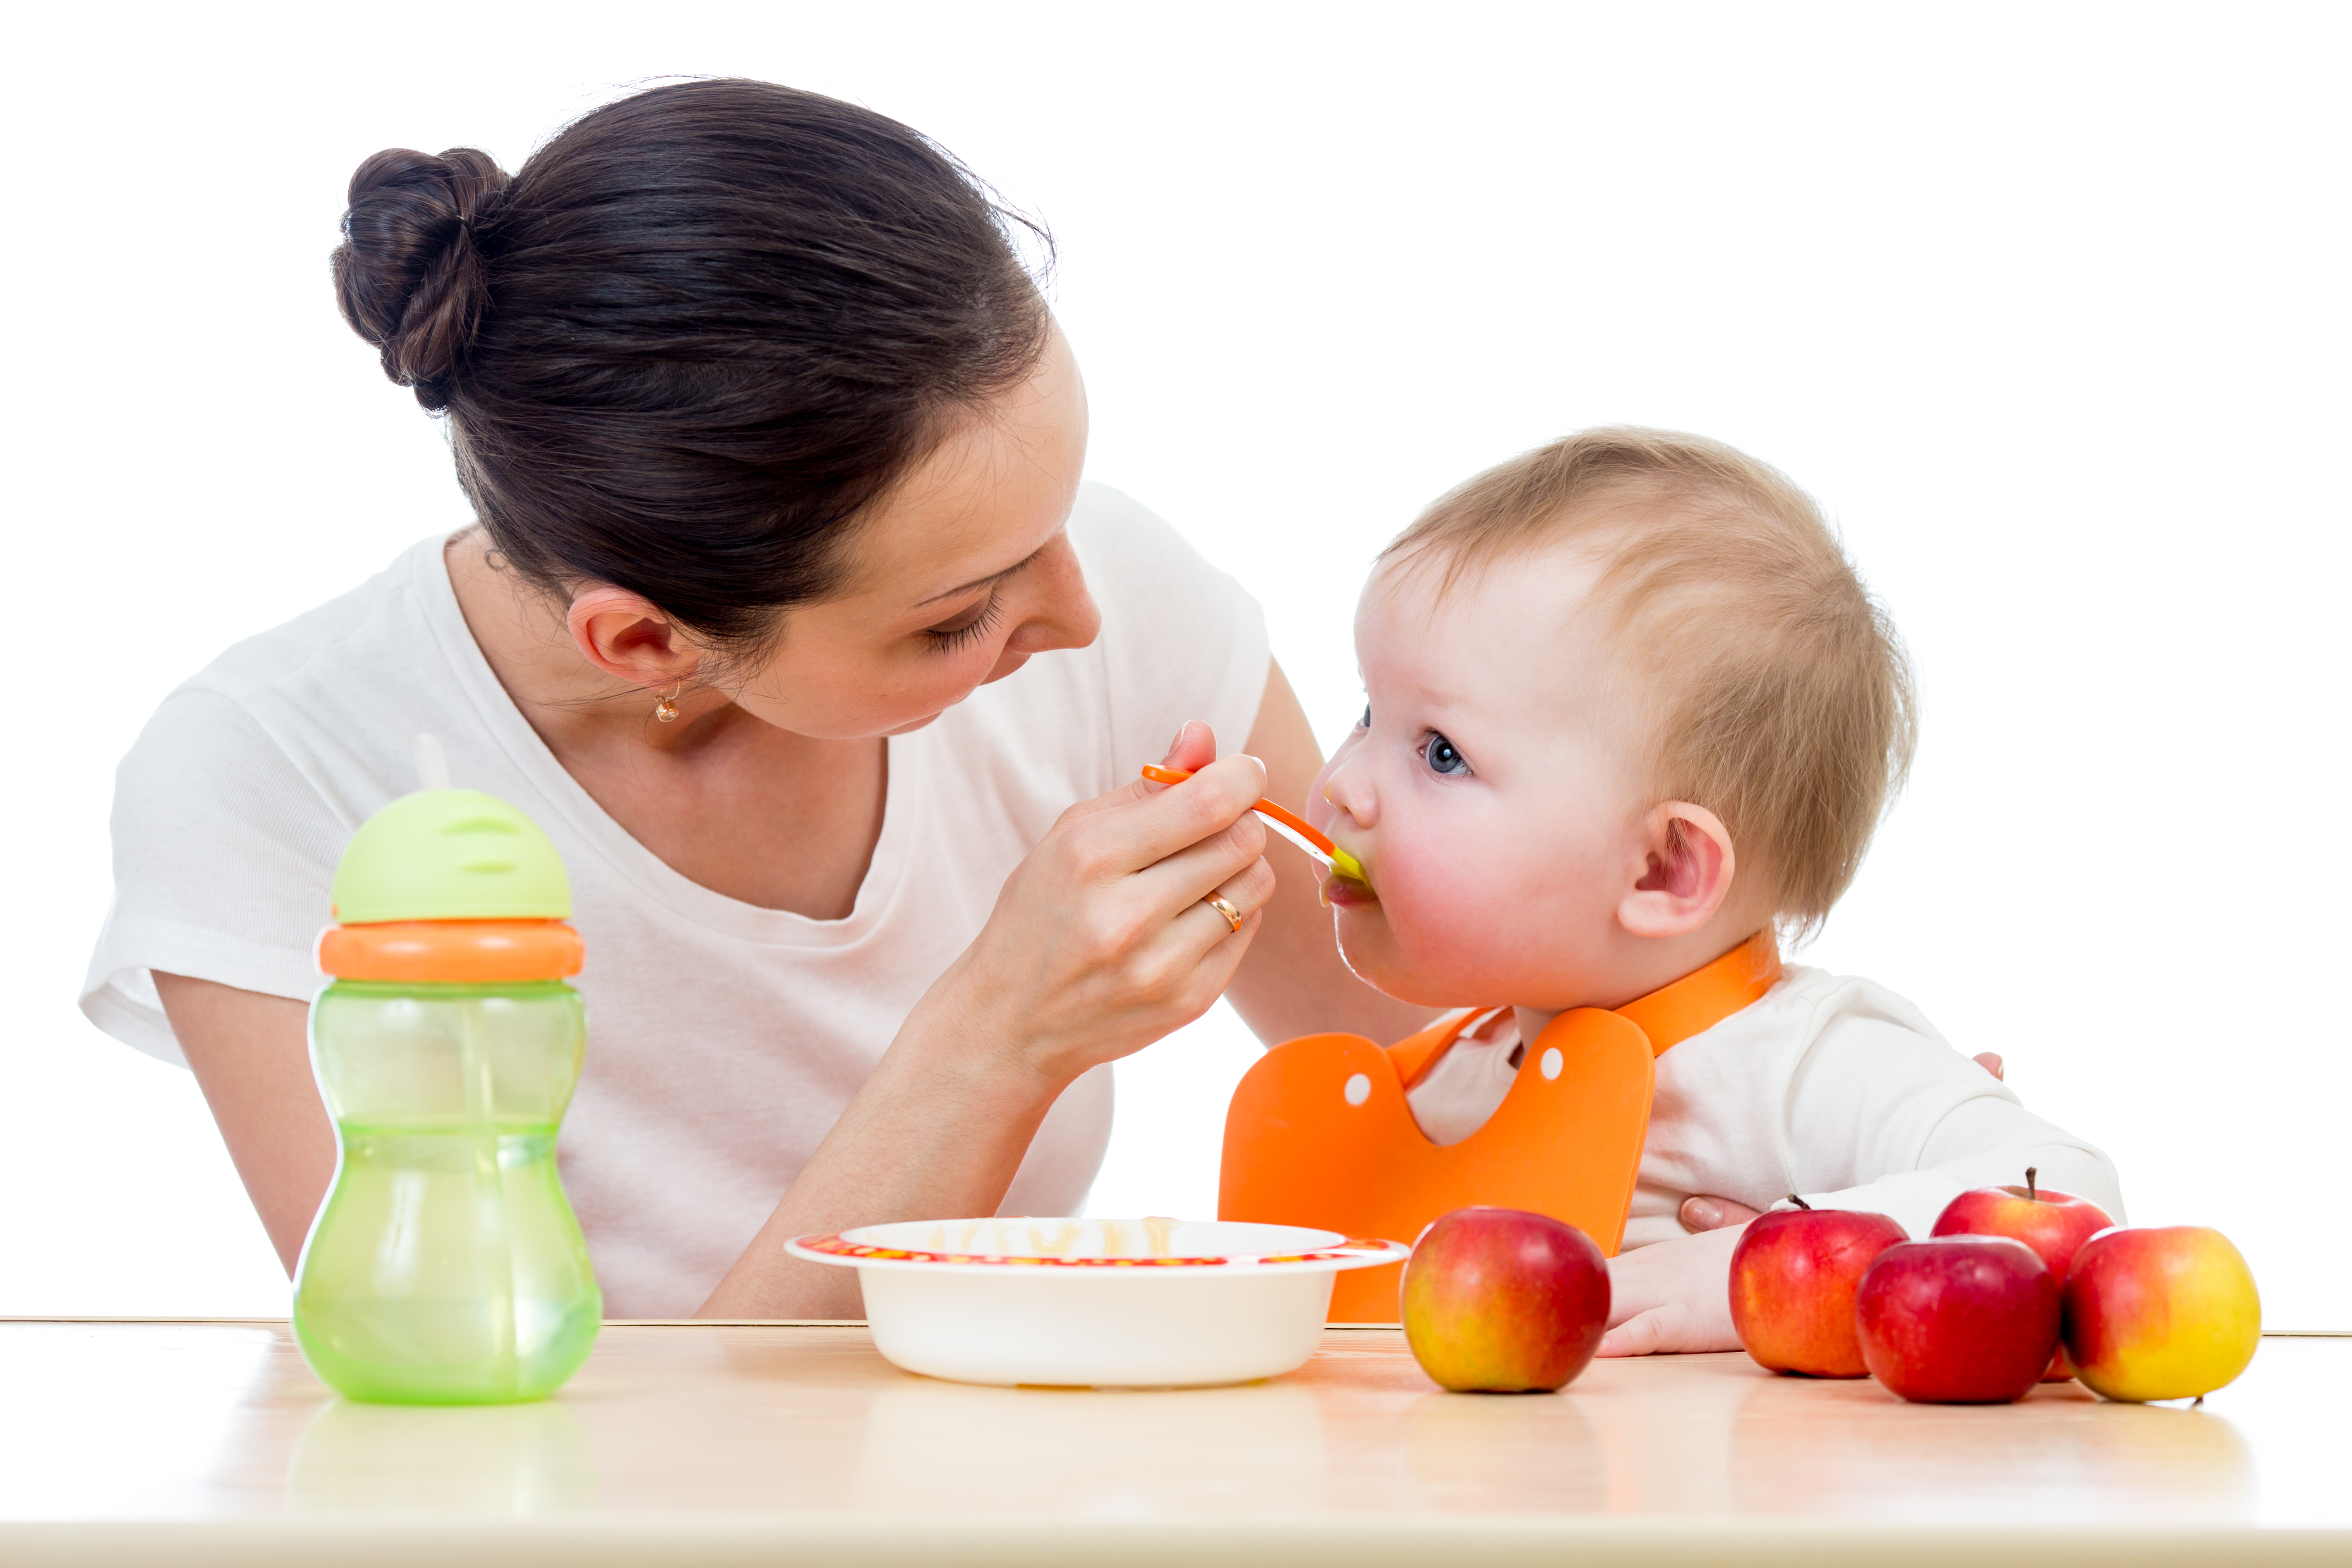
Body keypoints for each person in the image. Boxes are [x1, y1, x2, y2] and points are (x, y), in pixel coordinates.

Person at [79, 79, 1431, 1320]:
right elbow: (482, 1435)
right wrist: (993, 1038)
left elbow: (1445, 1087)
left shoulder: (1101, 594)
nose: (1079, 619)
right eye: (956, 618)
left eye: (1064, 516)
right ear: (646, 641)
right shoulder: (274, 776)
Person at [1299, 427, 2125, 1355]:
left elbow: (2070, 1190)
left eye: (1441, 753)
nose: (1340, 782)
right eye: (1366, 712)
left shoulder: (1793, 1064)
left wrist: (1766, 1265)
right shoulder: (1451, 1078)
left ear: (1662, 869)